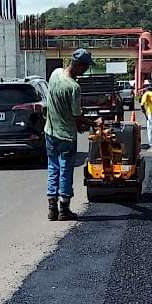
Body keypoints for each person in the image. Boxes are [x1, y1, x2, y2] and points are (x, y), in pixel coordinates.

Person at [44, 48, 93, 221]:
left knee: (53, 167)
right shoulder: (74, 87)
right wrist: (92, 123)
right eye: (86, 68)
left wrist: (79, 122)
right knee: (65, 169)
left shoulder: (55, 73)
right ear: (80, 66)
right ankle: (64, 209)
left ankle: (52, 208)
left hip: (49, 131)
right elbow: (76, 115)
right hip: (66, 136)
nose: (85, 71)